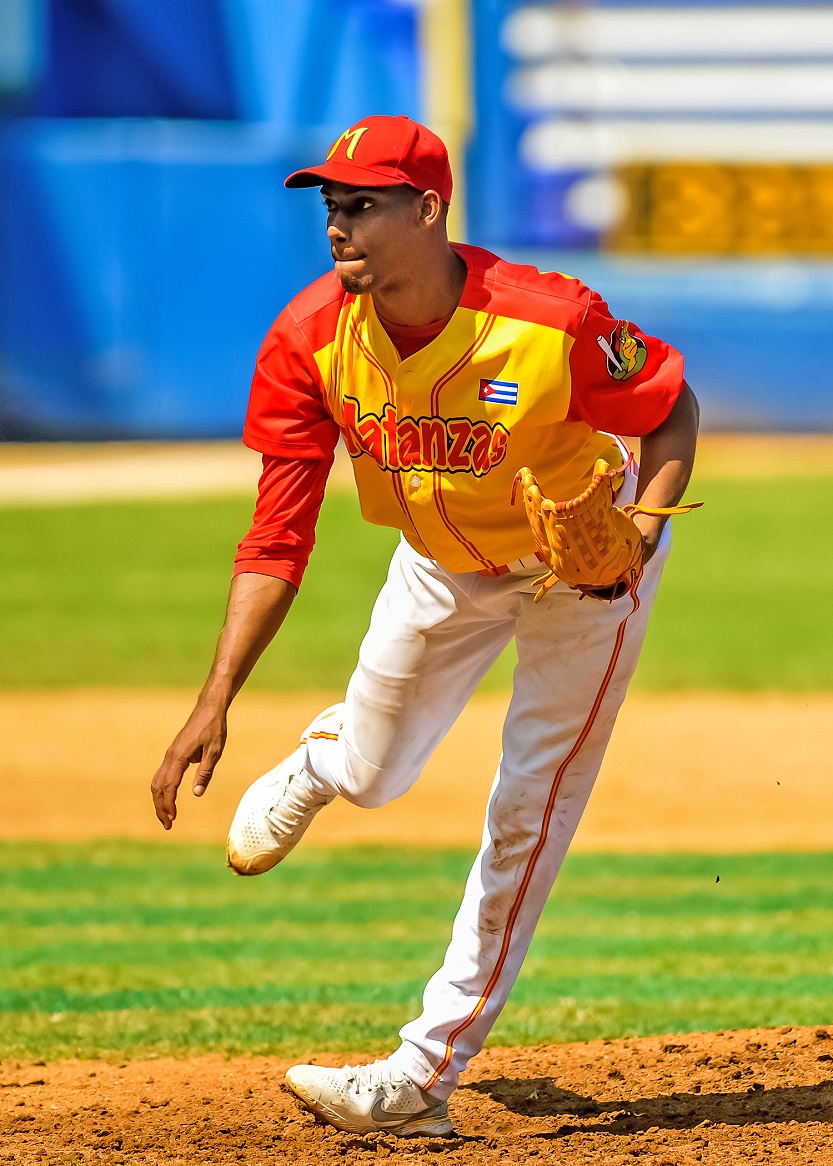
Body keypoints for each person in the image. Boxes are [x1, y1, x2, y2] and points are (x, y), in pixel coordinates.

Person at [151, 114, 699, 1138]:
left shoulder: (549, 319)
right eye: (329, 205)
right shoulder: (309, 341)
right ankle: (323, 755)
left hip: (582, 578)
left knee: (526, 808)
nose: (336, 225)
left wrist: (638, 526)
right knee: (371, 771)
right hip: (440, 564)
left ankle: (419, 1076)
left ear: (428, 210)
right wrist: (214, 698)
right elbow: (276, 537)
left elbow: (669, 406)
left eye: (360, 204)